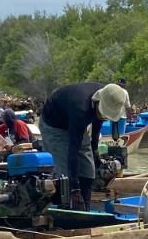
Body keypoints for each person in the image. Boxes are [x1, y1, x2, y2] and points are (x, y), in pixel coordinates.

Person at [39, 82, 129, 210]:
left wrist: (95, 150)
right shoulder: (81, 109)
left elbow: (97, 122)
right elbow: (73, 150)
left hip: (75, 121)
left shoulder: (109, 95)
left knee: (88, 169)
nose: (103, 117)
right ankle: (63, 206)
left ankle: (85, 207)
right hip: (54, 124)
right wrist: (74, 189)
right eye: (103, 114)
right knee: (64, 173)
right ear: (97, 102)